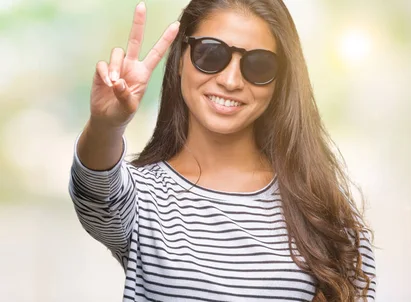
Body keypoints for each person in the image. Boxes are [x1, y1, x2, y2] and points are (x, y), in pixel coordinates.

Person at [68, 0, 376, 301]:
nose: (230, 81)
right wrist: (105, 125)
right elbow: (95, 187)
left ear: (280, 81)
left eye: (258, 64)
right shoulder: (143, 200)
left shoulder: (321, 209)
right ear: (179, 60)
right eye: (211, 54)